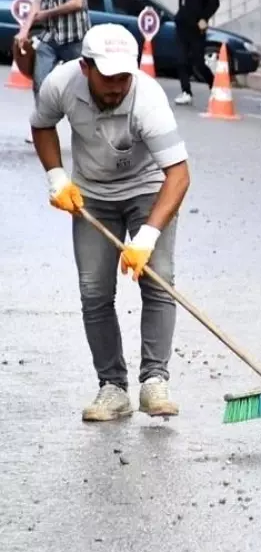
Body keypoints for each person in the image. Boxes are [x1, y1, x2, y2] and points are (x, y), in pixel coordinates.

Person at [30, 23, 192, 423]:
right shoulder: (60, 84)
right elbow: (41, 123)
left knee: (158, 278)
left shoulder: (148, 98)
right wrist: (57, 178)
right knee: (94, 292)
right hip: (93, 197)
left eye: (125, 77)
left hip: (147, 189)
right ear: (85, 67)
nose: (118, 87)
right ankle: (113, 388)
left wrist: (147, 238)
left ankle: (154, 381)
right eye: (109, 78)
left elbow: (179, 174)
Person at [172, 0, 220, 106]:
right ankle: (186, 92)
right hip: (182, 28)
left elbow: (214, 2)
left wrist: (204, 18)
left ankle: (215, 86)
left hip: (195, 29)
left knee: (198, 62)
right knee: (181, 60)